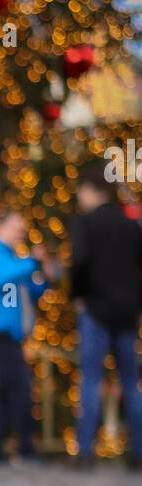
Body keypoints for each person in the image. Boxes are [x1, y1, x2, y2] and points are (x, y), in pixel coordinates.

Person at [70, 162, 142, 469]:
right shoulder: (130, 224)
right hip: (127, 311)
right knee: (131, 382)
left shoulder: (84, 223)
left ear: (90, 191)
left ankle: (86, 451)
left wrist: (78, 296)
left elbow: (80, 262)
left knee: (91, 381)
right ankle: (139, 452)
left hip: (96, 309)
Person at [0, 207, 54, 466]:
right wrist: (32, 262)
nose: (20, 234)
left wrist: (45, 279)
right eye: (16, 229)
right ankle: (25, 449)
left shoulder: (11, 258)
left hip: (9, 334)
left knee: (8, 390)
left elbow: (29, 290)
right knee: (20, 387)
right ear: (1, 227)